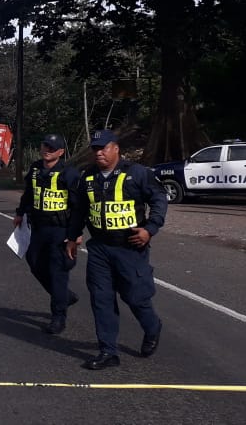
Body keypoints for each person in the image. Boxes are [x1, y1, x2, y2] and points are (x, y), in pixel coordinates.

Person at [73, 129, 168, 370]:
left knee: (135, 297)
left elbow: (158, 199)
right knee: (100, 299)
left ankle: (152, 327)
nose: (99, 153)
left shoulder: (137, 174)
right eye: (96, 149)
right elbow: (80, 210)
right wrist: (73, 236)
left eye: (104, 148)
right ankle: (108, 351)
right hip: (99, 249)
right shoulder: (88, 177)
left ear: (116, 148)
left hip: (130, 248)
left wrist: (150, 229)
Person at [13, 134, 85, 335]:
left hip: (60, 231)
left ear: (61, 152)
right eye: (45, 146)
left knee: (58, 272)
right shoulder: (36, 169)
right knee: (34, 263)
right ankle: (63, 296)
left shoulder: (69, 173)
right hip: (38, 228)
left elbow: (78, 206)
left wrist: (75, 234)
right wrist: (20, 213)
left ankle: (58, 317)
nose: (47, 150)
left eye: (52, 148)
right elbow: (29, 193)